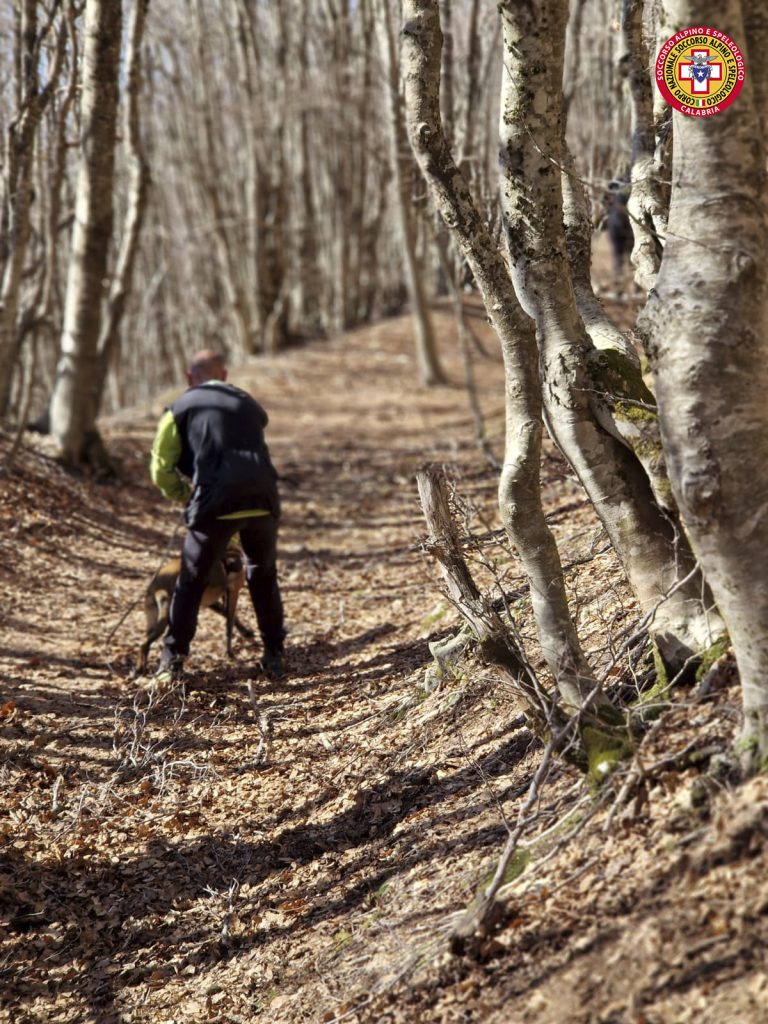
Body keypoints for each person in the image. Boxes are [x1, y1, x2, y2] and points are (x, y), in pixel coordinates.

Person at [149, 349, 285, 681]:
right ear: (224, 376)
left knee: (191, 582)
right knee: (262, 574)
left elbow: (159, 469)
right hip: (263, 498)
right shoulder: (248, 403)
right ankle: (274, 654)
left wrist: (185, 495)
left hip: (216, 503)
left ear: (188, 378)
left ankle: (171, 664)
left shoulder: (178, 409)